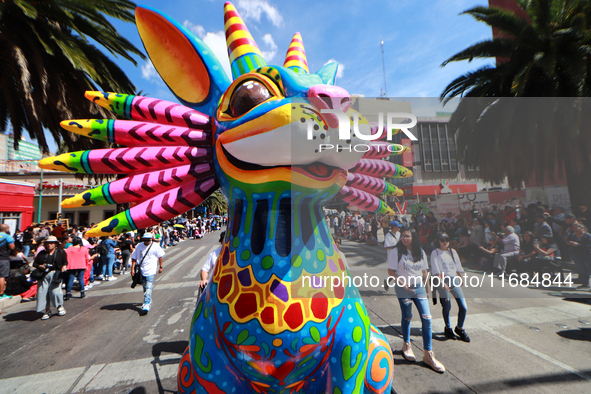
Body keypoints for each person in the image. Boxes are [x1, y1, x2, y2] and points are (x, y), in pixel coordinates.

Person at [387, 227, 445, 373]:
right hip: (403, 289)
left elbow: (425, 272)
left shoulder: (420, 251)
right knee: (407, 316)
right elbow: (391, 272)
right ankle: (406, 345)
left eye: (408, 236)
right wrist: (402, 283)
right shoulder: (396, 251)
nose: (404, 238)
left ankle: (428, 354)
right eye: (403, 236)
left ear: (413, 237)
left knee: (427, 318)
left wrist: (428, 289)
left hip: (419, 288)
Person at [430, 232, 470, 342]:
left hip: (454, 280)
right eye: (442, 240)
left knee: (463, 306)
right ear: (438, 241)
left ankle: (459, 328)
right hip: (442, 280)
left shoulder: (452, 252)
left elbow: (457, 266)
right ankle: (448, 328)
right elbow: (435, 269)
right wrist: (442, 283)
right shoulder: (435, 252)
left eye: (447, 239)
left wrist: (461, 277)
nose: (445, 242)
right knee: (447, 305)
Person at [131, 233, 165, 315]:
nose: (146, 242)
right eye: (145, 240)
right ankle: (149, 300)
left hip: (151, 270)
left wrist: (161, 267)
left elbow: (160, 257)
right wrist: (132, 269)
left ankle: (146, 304)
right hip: (142, 270)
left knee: (149, 286)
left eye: (148, 240)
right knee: (145, 286)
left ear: (151, 239)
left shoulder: (155, 246)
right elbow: (134, 258)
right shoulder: (139, 246)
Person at [33, 236, 67, 319]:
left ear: (55, 244)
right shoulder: (42, 253)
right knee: (42, 293)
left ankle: (59, 306)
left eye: (51, 243)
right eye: (48, 243)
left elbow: (65, 262)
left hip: (56, 273)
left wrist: (64, 267)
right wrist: (40, 266)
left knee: (55, 292)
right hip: (43, 274)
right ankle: (47, 310)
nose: (49, 245)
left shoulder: (61, 252)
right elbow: (35, 263)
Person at [568, 222, 591, 290]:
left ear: (582, 228)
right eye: (574, 228)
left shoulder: (587, 236)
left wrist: (578, 245)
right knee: (581, 270)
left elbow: (589, 246)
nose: (575, 229)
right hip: (577, 254)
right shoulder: (573, 235)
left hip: (586, 255)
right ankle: (585, 283)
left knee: (588, 270)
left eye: (577, 228)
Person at [0, 224, 15, 300]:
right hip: (3, 258)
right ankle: (1, 294)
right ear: (6, 229)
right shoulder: (7, 237)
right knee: (2, 276)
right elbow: (12, 247)